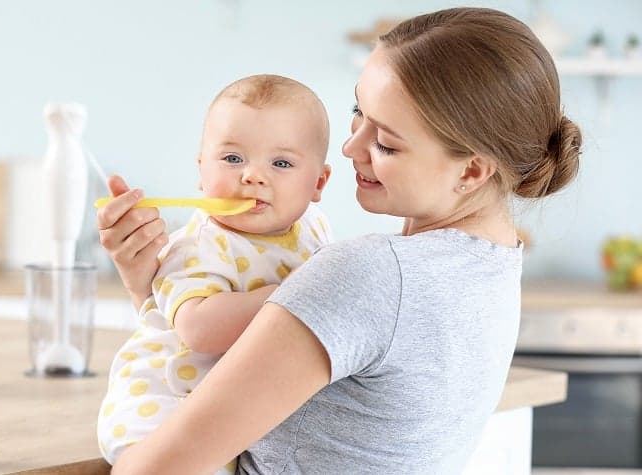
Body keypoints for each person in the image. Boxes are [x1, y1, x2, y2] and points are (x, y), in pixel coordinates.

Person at [98, 7, 582, 474]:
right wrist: (150, 286)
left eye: (386, 143)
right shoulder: (495, 265)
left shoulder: (368, 275)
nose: (350, 147)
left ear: (472, 169)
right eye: (358, 111)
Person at [96, 74, 333, 473]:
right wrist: (296, 291)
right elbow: (199, 329)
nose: (253, 176)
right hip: (166, 400)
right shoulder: (198, 245)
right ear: (201, 169)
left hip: (231, 405)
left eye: (281, 163)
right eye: (233, 158)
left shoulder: (314, 228)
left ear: (318, 182)